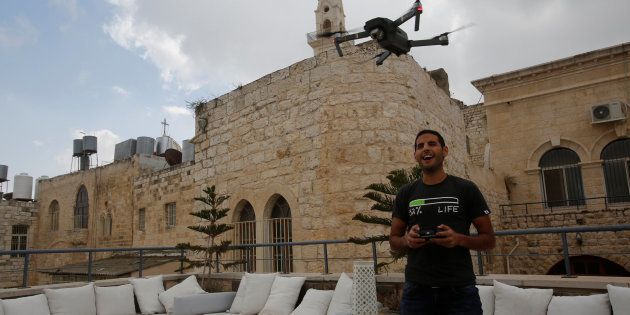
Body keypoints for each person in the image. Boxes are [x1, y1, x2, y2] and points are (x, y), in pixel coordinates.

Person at [389, 129, 496, 315]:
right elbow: (394, 241)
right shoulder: (406, 193)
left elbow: (489, 240)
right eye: (420, 146)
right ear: (415, 155)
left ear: (444, 151)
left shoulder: (466, 189)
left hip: (459, 290)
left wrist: (458, 239)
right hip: (417, 290)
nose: (425, 149)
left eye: (432, 144)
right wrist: (407, 240)